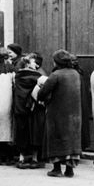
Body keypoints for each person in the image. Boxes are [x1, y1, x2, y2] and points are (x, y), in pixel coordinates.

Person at [37, 49, 83, 178]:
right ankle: (69, 169)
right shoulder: (75, 74)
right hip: (74, 114)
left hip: (57, 113)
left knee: (56, 138)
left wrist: (40, 89)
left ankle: (56, 169)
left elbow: (42, 94)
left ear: (56, 62)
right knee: (71, 139)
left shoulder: (56, 75)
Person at [12, 53, 44, 169]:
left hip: (20, 108)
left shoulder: (17, 76)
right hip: (34, 109)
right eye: (34, 62)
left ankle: (21, 158)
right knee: (35, 132)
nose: (36, 64)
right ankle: (35, 159)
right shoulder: (38, 76)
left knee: (21, 132)